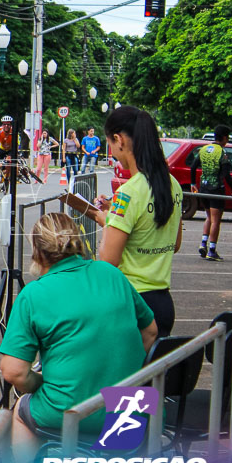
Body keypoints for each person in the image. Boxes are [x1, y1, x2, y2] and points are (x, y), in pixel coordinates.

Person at [0, 213, 157, 463]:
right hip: (132, 410)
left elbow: (14, 372)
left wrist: (40, 384)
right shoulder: (111, 274)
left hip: (72, 412)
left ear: (37, 251)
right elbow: (150, 332)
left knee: (21, 411)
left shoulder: (34, 294)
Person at [88, 106, 183, 338]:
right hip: (162, 301)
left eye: (110, 143)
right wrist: (113, 217)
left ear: (119, 140)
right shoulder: (173, 184)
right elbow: (175, 243)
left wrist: (105, 220)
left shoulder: (127, 193)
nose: (111, 150)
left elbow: (109, 259)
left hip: (133, 305)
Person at [191, 124, 232, 261]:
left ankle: (203, 243)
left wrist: (193, 184)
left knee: (209, 217)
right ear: (225, 137)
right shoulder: (221, 152)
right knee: (216, 220)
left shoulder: (203, 149)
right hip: (216, 189)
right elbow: (226, 174)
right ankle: (212, 250)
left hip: (203, 188)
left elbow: (193, 167)